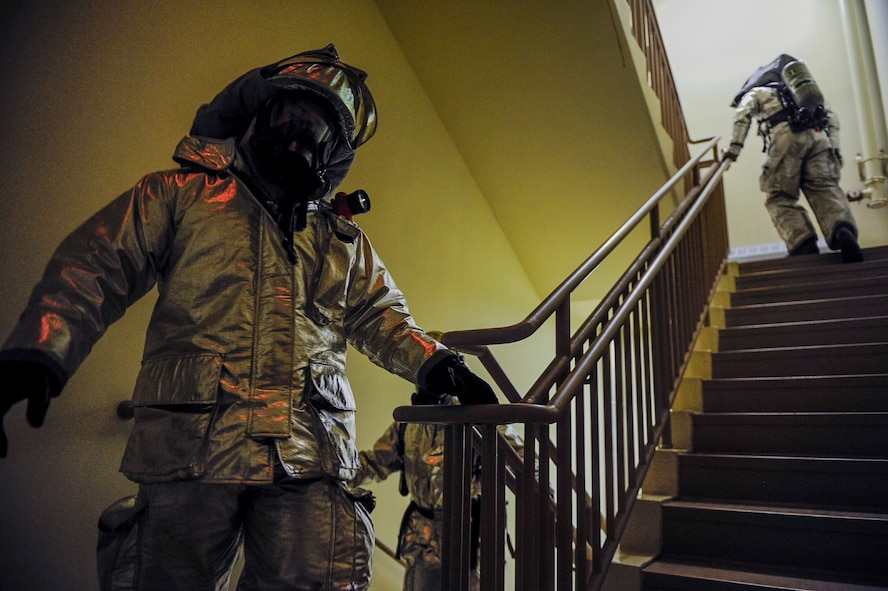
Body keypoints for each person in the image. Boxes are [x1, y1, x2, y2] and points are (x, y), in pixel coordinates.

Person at [0, 44, 498, 591]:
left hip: (310, 453)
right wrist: (41, 348)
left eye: (317, 130)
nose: (299, 135)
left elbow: (382, 317)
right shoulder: (180, 196)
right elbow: (96, 266)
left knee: (316, 579)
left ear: (333, 152)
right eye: (289, 116)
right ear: (255, 116)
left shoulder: (341, 243)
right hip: (192, 445)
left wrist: (437, 366)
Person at [351, 381, 523, 591]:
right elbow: (376, 461)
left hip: (469, 537)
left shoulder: (477, 417)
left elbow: (524, 462)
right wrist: (333, 473)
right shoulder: (408, 421)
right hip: (422, 537)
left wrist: (546, 504)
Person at [723, 53, 863, 263]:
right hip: (818, 137)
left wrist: (735, 148)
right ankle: (843, 232)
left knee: (779, 196)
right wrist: (834, 149)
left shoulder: (758, 92)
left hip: (784, 137)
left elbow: (742, 115)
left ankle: (802, 243)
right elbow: (831, 119)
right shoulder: (802, 93)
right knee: (825, 188)